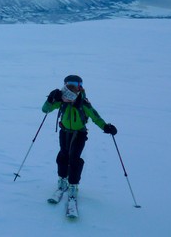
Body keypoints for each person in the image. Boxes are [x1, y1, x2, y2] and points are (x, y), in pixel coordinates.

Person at [42, 75, 117, 204]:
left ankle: (73, 186)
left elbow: (95, 116)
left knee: (74, 159)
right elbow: (45, 110)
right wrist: (50, 99)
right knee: (63, 156)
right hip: (64, 132)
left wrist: (105, 126)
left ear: (80, 87)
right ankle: (62, 181)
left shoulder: (83, 103)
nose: (71, 89)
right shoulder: (61, 101)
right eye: (68, 85)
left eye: (74, 86)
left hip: (79, 134)